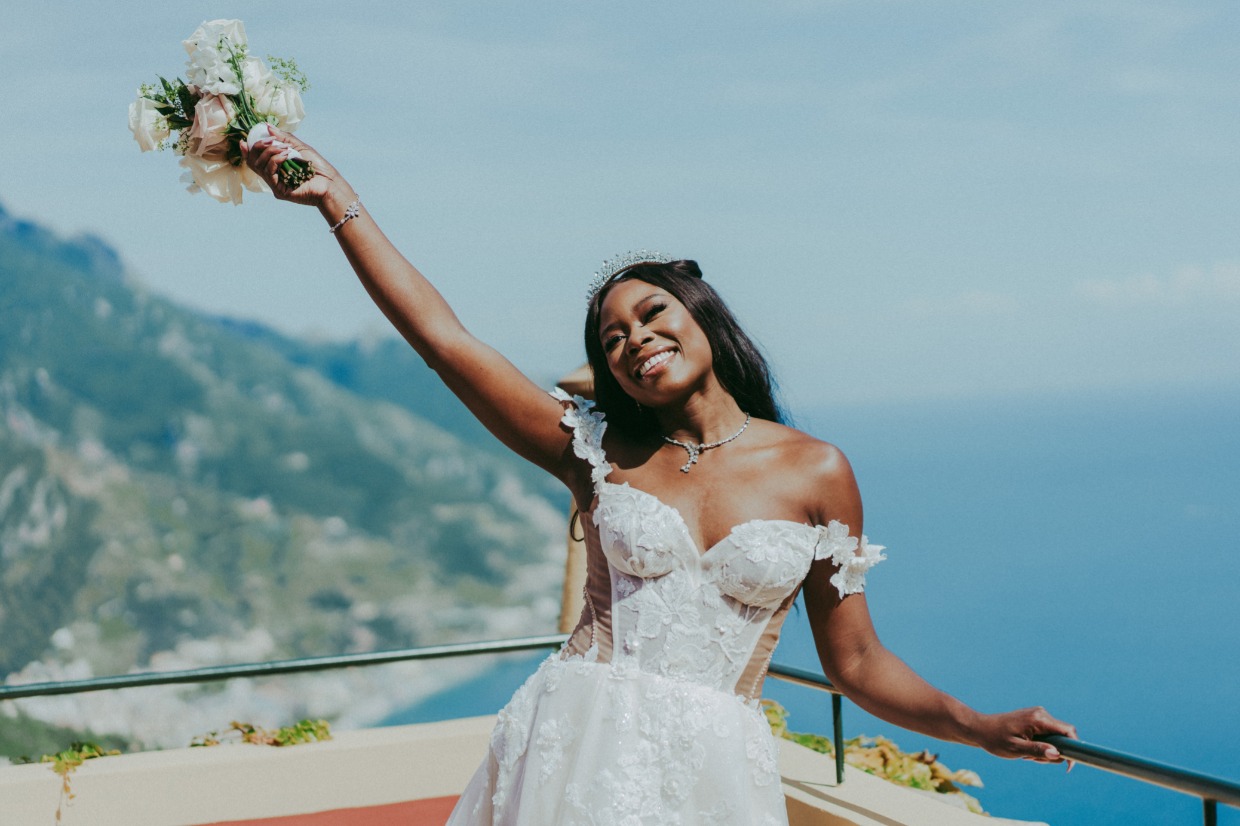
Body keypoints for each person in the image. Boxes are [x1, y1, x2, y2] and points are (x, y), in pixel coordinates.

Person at [242, 128, 1078, 825]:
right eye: (611, 339)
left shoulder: (816, 470)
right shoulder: (597, 450)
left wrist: (978, 725)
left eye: (651, 315)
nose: (634, 339)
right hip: (574, 747)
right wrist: (333, 199)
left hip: (713, 772)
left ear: (701, 316)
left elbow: (855, 662)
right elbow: (446, 341)